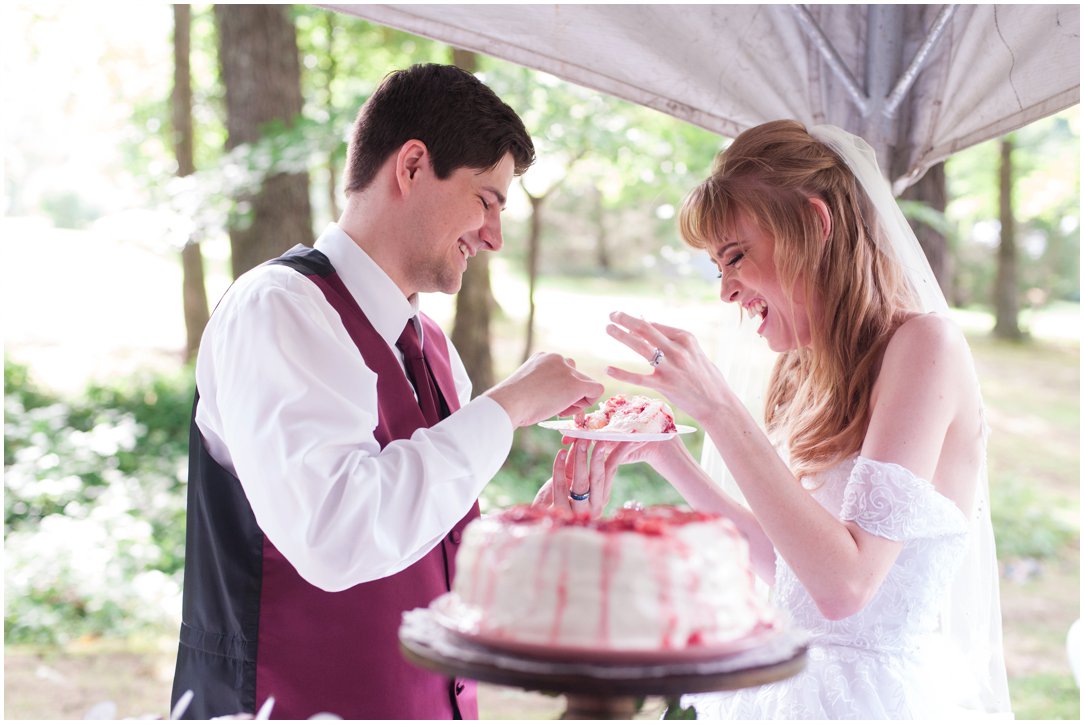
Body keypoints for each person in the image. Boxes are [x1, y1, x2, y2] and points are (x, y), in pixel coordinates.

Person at [169, 63, 604, 720]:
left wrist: (548, 516)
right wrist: (507, 406)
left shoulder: (430, 344)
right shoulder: (279, 310)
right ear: (411, 166)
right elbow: (339, 532)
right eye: (486, 199)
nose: (494, 236)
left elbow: (430, 544)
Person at [545, 120, 1012, 719]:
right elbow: (794, 573)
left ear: (816, 224)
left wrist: (718, 409)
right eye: (717, 268)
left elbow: (847, 587)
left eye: (735, 257)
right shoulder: (803, 372)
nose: (726, 293)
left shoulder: (927, 347)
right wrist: (667, 453)